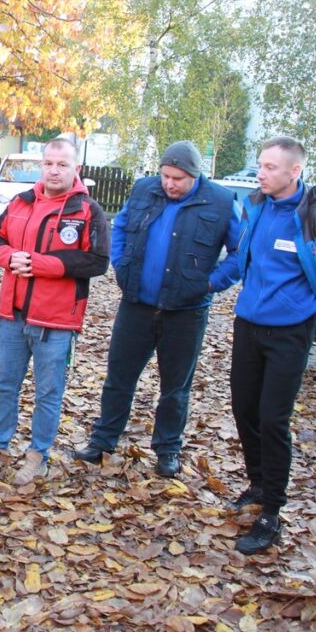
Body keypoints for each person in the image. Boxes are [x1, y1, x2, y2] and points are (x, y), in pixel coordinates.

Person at [74, 141, 240, 477]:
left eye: (178, 178)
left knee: (175, 388)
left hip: (186, 311)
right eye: (165, 175)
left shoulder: (222, 202)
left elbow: (240, 253)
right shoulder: (144, 189)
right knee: (119, 378)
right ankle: (103, 440)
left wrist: (210, 283)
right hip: (137, 304)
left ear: (196, 176)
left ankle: (167, 450)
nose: (169, 183)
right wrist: (120, 264)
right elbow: (119, 227)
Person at [228, 136, 316, 555]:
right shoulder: (256, 205)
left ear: (294, 171)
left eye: (269, 167)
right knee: (244, 409)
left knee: (272, 418)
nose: (260, 173)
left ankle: (272, 513)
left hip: (290, 331)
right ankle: (258, 483)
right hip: (249, 324)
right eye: (260, 165)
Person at [0, 138, 110, 485]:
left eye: (62, 164)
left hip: (56, 321)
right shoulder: (20, 202)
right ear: (42, 165)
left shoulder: (88, 211)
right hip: (12, 314)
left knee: (48, 393)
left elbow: (97, 261)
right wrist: (7, 257)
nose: (54, 170)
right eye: (49, 163)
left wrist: (40, 264)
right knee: (5, 385)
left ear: (76, 169)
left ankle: (37, 456)